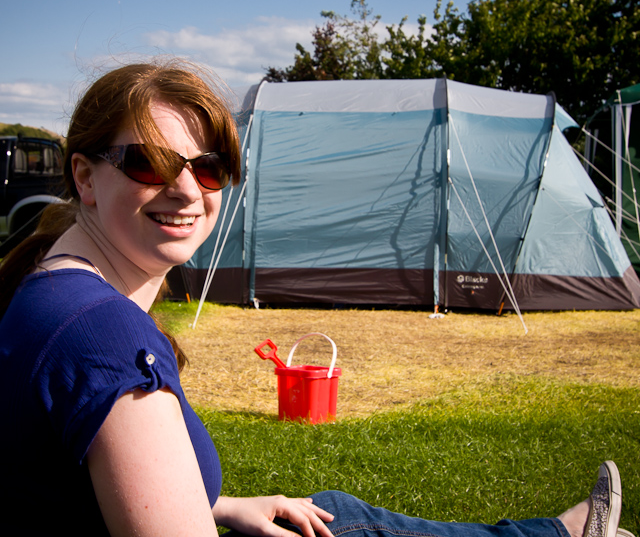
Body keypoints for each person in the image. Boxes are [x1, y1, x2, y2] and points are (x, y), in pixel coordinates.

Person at [0, 60, 630, 537]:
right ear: (85, 175)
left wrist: (218, 506)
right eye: (153, 163)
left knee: (334, 515)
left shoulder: (44, 290)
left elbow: (62, 481)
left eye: (211, 166)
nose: (189, 191)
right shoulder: (106, 340)